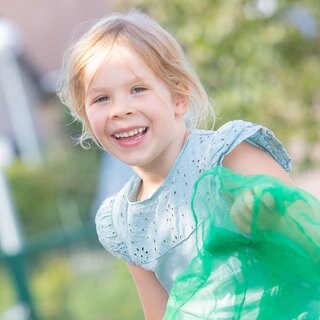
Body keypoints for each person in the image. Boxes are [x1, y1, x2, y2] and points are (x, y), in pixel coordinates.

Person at [58, 10, 320, 319]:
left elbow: (309, 237)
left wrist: (271, 214)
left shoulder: (226, 154)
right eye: (101, 99)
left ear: (179, 98)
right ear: (87, 120)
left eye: (138, 89)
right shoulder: (124, 221)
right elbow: (157, 312)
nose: (120, 110)